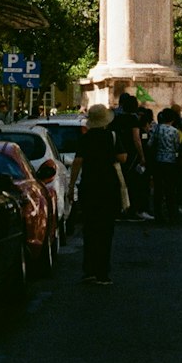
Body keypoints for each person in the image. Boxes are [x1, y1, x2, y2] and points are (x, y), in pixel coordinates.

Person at [68, 103, 123, 285]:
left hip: (89, 186)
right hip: (108, 187)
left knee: (90, 229)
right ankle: (102, 272)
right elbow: (123, 157)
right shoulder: (112, 137)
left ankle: (89, 270)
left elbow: (77, 162)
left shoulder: (86, 138)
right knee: (106, 231)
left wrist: (71, 186)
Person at [113, 92, 149, 221]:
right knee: (133, 182)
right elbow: (136, 139)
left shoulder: (116, 118)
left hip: (118, 152)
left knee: (120, 182)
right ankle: (132, 210)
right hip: (131, 153)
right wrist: (142, 156)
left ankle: (119, 210)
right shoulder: (133, 119)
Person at [150, 108, 181, 224]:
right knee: (170, 189)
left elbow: (150, 143)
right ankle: (172, 214)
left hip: (158, 161)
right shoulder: (174, 131)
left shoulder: (157, 128)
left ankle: (158, 214)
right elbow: (177, 146)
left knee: (158, 188)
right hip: (171, 161)